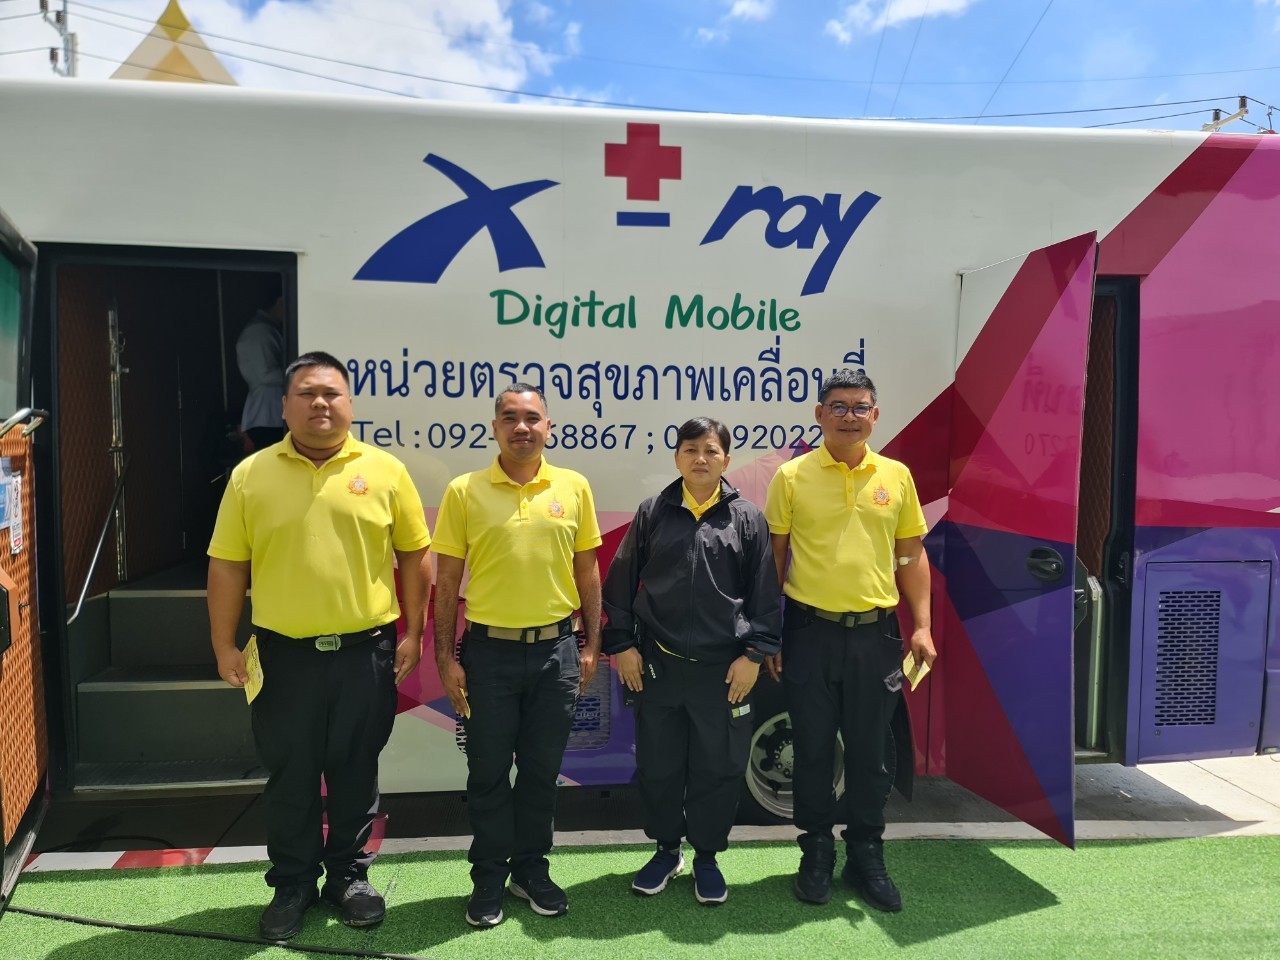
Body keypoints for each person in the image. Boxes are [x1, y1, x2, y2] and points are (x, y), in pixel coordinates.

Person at [207, 350, 431, 941]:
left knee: (356, 768)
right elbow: (227, 564)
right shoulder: (251, 475)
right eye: (306, 394)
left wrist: (413, 633)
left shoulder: (386, 471)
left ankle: (350, 879)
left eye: (331, 393)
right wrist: (224, 644)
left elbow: (416, 554)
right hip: (283, 656)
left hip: (366, 653)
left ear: (350, 403)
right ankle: (293, 884)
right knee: (292, 773)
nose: (320, 404)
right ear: (284, 406)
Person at [764, 368, 935, 912]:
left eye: (860, 407)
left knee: (870, 755)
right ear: (819, 414)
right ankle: (816, 853)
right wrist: (770, 634)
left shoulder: (897, 477)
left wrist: (922, 625)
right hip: (808, 633)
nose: (849, 416)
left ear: (875, 416)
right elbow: (775, 560)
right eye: (837, 407)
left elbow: (911, 555)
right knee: (813, 751)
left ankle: (866, 855)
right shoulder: (791, 476)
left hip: (875, 637)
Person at [431, 383, 603, 929]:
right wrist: (444, 657)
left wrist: (592, 645)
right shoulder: (464, 491)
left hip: (557, 653)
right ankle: (488, 876)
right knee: (486, 773)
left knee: (540, 773)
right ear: (495, 427)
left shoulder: (574, 487)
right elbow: (447, 580)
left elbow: (587, 572)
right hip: (488, 655)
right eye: (510, 418)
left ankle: (530, 870)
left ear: (549, 426)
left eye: (532, 417)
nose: (521, 427)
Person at [602, 416, 780, 905]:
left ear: (726, 458)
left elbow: (765, 594)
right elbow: (620, 583)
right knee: (659, 766)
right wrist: (623, 646)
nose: (700, 458)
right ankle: (666, 851)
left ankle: (706, 857)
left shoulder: (747, 518)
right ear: (677, 456)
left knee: (718, 769)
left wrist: (753, 654)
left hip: (724, 672)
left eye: (711, 450)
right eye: (690, 449)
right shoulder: (653, 512)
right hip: (657, 667)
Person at [236, 282, 286, 451]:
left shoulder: (266, 328)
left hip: (270, 412)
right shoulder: (259, 331)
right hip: (267, 415)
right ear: (280, 302)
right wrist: (300, 375)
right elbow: (265, 375)